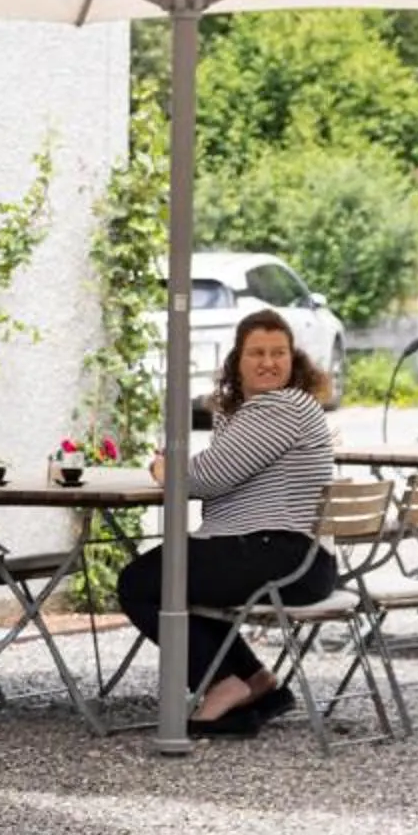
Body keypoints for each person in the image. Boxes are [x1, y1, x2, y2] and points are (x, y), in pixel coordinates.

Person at [114, 308, 337, 736]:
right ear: (238, 361)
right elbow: (217, 474)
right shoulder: (257, 411)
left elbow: (202, 479)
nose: (268, 362)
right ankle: (254, 679)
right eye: (257, 352)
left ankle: (219, 682)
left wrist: (167, 470)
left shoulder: (281, 406)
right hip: (292, 559)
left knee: (141, 582)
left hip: (278, 555)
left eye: (279, 352)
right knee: (189, 571)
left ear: (295, 360)